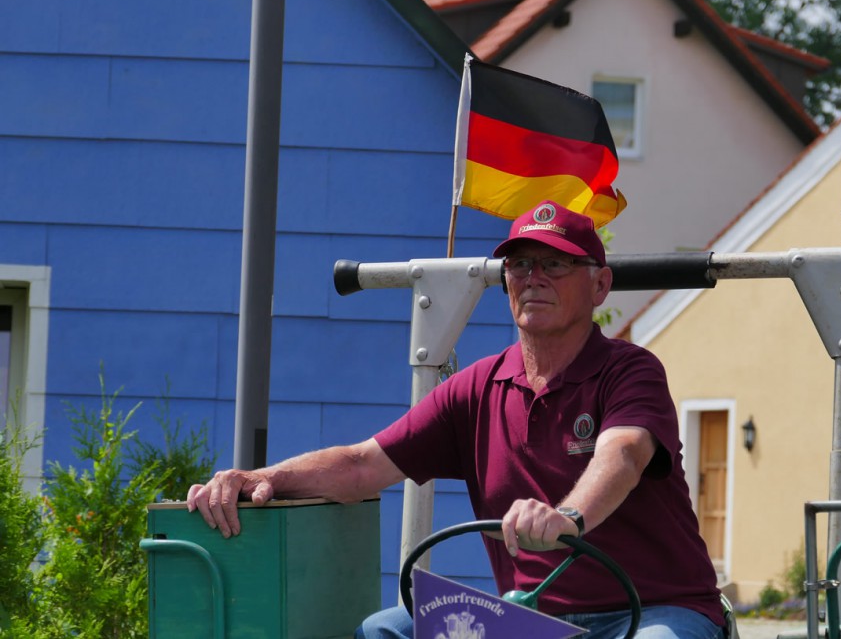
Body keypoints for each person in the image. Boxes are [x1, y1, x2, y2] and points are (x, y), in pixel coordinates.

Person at [187, 200, 727, 639]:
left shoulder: (630, 370)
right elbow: (359, 466)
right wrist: (261, 478)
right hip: (532, 622)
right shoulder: (476, 388)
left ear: (600, 286)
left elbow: (625, 453)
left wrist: (568, 518)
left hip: (654, 613)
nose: (533, 278)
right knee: (384, 631)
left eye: (555, 264)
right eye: (519, 265)